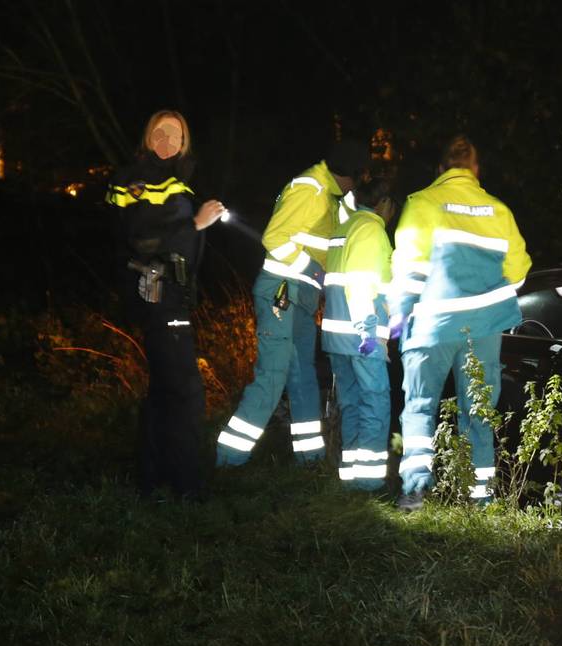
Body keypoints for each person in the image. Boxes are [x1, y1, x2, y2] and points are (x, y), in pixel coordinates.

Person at [390, 135, 532, 510]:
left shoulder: (423, 203)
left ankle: (416, 492)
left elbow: (408, 269)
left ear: (440, 169)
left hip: (433, 324)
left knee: (420, 405)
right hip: (483, 329)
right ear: (476, 170)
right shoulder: (498, 211)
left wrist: (398, 313)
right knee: (479, 412)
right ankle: (479, 501)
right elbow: (518, 273)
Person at [215, 140, 365, 467]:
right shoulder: (311, 189)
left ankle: (309, 460)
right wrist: (311, 269)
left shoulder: (334, 197)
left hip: (302, 297)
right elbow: (274, 238)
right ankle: (227, 461)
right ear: (349, 176)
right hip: (281, 291)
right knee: (273, 375)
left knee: (303, 377)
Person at [106, 109, 225, 500]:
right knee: (185, 391)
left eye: (174, 135)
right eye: (159, 132)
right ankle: (187, 486)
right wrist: (196, 225)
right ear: (147, 136)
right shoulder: (135, 180)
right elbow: (139, 240)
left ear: (185, 142)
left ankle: (151, 479)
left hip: (171, 296)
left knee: (163, 390)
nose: (166, 140)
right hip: (157, 297)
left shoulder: (178, 180)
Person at [322, 173, 396, 490]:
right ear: (384, 204)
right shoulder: (371, 230)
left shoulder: (344, 228)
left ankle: (350, 477)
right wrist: (368, 332)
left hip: (337, 336)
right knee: (375, 403)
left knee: (351, 403)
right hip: (361, 337)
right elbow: (361, 284)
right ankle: (367, 483)